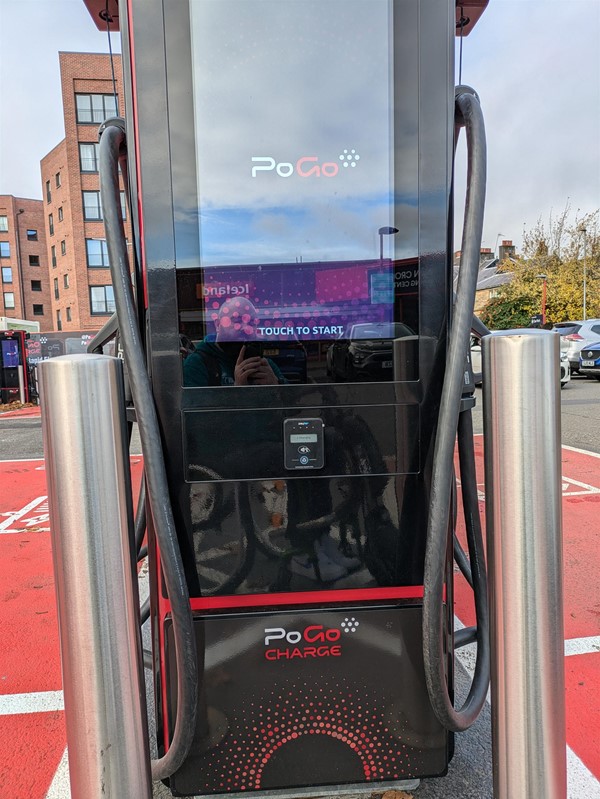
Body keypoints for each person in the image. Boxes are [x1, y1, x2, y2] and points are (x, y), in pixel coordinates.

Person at [183, 297, 286, 387]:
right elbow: (194, 407)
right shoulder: (197, 364)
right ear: (218, 325)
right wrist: (237, 392)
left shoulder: (263, 365)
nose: (246, 328)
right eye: (237, 321)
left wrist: (276, 385)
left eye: (251, 322)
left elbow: (294, 403)